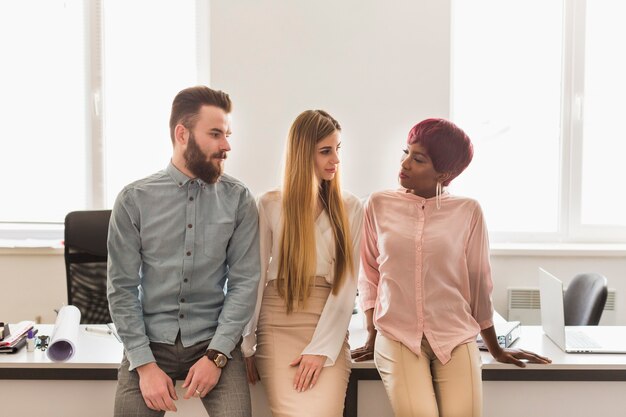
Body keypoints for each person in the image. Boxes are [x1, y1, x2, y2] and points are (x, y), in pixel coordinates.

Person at [350, 118, 551, 417]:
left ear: (444, 173)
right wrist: (371, 332)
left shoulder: (468, 211)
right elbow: (369, 272)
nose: (405, 163)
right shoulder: (378, 204)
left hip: (454, 336)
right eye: (406, 152)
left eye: (418, 159)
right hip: (397, 335)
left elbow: (479, 283)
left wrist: (494, 347)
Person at [107, 85, 261, 417]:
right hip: (150, 344)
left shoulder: (239, 200)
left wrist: (217, 355)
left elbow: (245, 283)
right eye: (216, 134)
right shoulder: (134, 200)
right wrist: (144, 364)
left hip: (213, 343)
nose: (226, 145)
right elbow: (121, 289)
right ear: (182, 134)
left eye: (227, 134)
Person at [242, 110, 363, 417]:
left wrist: (321, 348)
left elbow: (347, 286)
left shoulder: (350, 207)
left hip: (327, 323)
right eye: (325, 151)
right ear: (301, 153)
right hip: (277, 322)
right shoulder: (268, 203)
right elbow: (254, 276)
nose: (335, 159)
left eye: (338, 150)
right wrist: (246, 343)